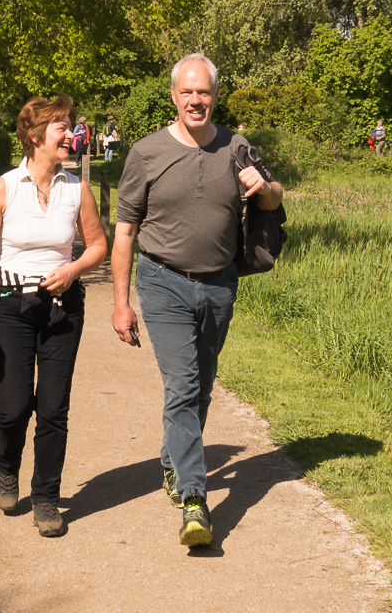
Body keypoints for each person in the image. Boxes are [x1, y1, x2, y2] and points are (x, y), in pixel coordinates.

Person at [111, 54, 282, 547]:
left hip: (219, 284)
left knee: (202, 387)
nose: (195, 100)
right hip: (162, 282)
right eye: (187, 92)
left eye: (203, 92)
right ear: (174, 97)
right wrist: (121, 303)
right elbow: (125, 232)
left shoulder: (238, 146)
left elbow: (274, 199)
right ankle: (193, 499)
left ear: (214, 95)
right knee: (183, 386)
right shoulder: (145, 153)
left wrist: (264, 186)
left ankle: (171, 463)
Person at [0, 94, 107, 537]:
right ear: (35, 135)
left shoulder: (76, 187)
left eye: (71, 125)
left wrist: (74, 269)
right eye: (63, 126)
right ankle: (6, 467)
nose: (72, 134)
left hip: (63, 308)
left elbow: (97, 245)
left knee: (54, 408)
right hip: (10, 305)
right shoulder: (4, 187)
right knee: (14, 405)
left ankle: (46, 497)